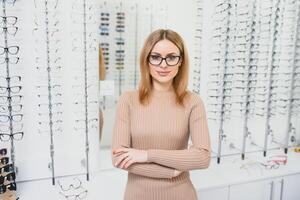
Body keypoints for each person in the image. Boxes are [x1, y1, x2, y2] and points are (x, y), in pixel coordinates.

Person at [111, 29, 211, 200]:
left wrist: (146, 155)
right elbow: (119, 158)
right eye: (156, 57)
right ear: (146, 60)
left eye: (171, 57)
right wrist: (171, 171)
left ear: (181, 62)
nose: (163, 65)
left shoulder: (193, 102)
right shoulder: (128, 100)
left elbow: (202, 157)